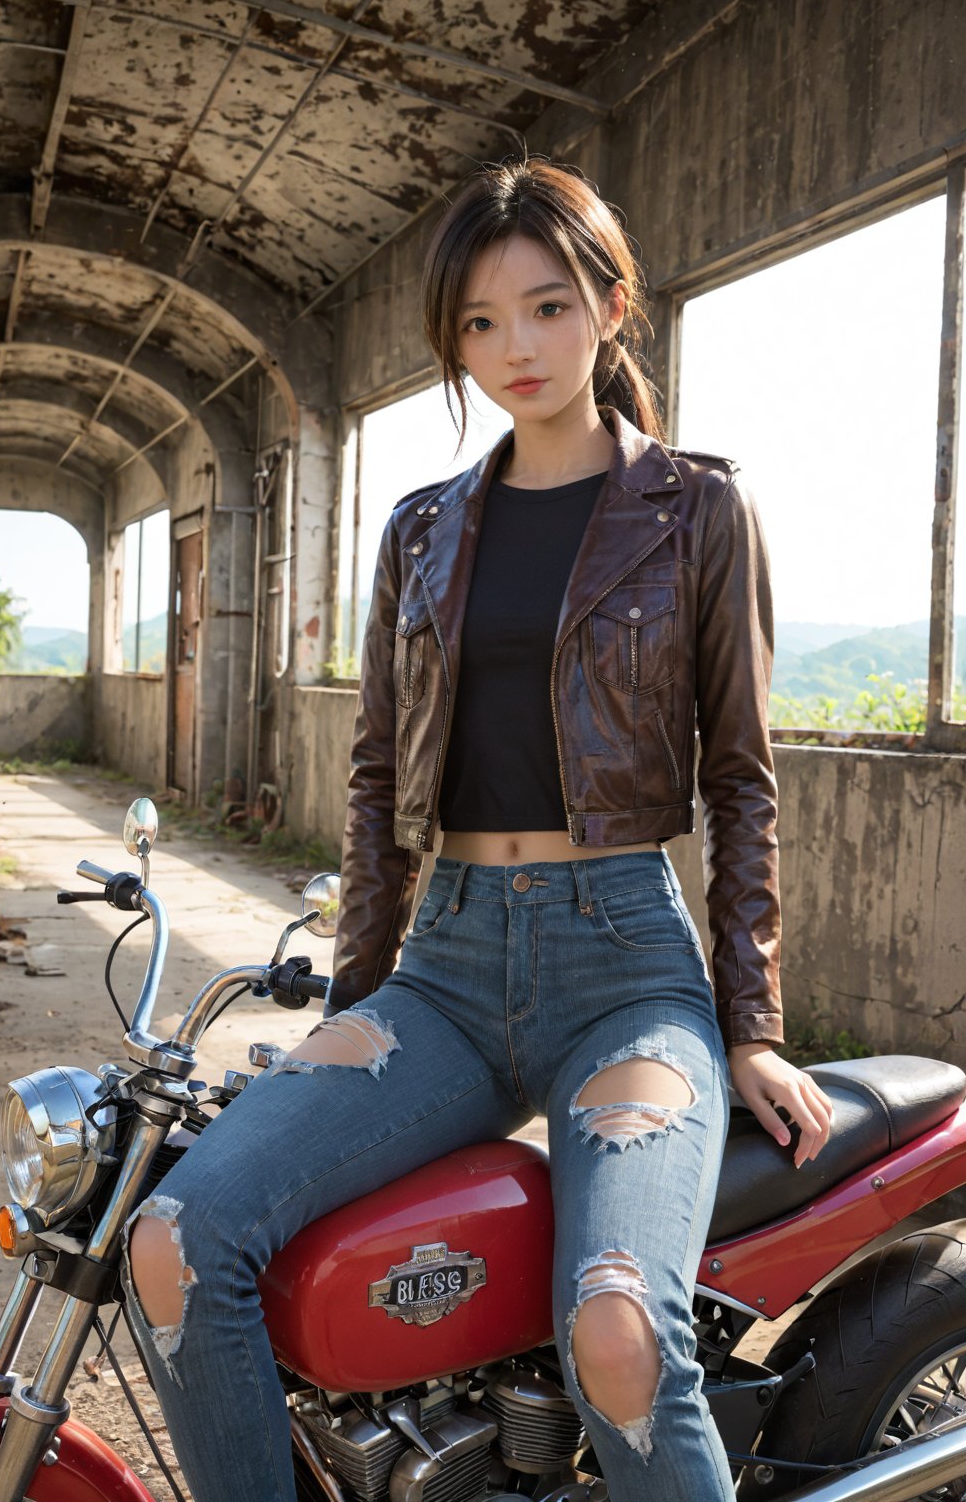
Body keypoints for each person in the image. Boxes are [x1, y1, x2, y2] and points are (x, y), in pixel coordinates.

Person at [124, 157, 833, 1502]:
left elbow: (744, 778)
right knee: (176, 1236)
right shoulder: (423, 530)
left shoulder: (696, 513)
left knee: (618, 1329)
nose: (517, 347)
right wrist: (354, 997)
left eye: (549, 306)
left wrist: (753, 1026)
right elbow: (381, 773)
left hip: (625, 971)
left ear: (612, 307)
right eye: (480, 323)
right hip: (441, 973)